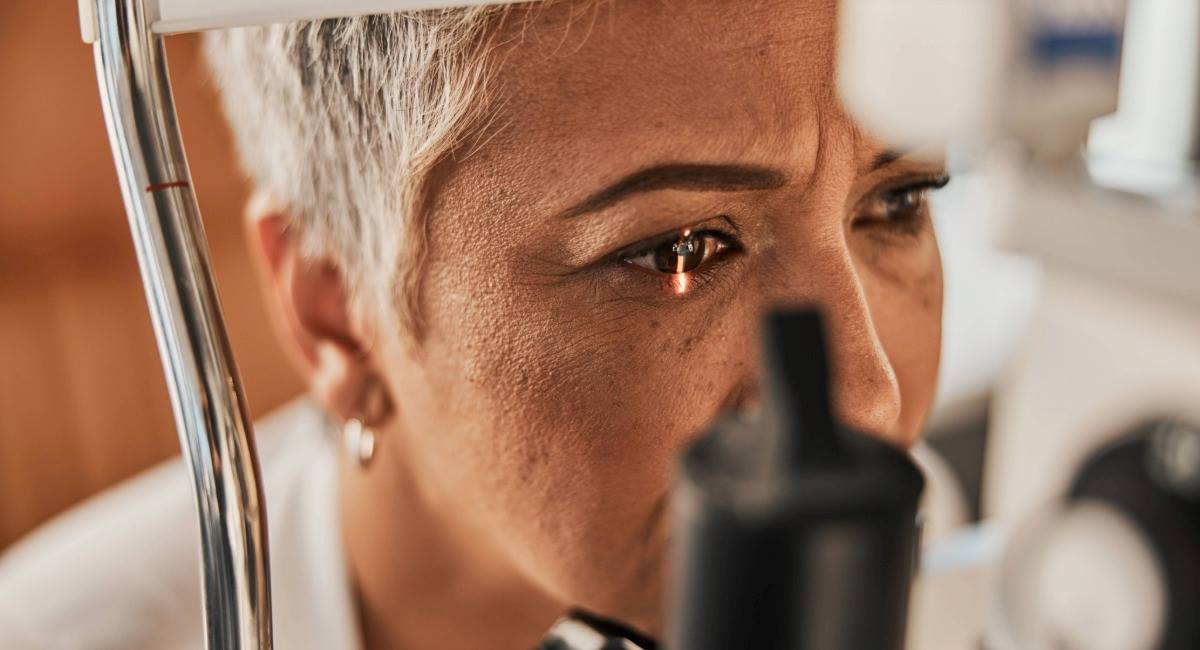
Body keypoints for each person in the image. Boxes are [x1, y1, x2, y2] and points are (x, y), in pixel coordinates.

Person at [0, 1, 957, 647]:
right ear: (335, 310)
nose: (870, 404)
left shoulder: (918, 550)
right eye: (681, 250)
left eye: (898, 203)